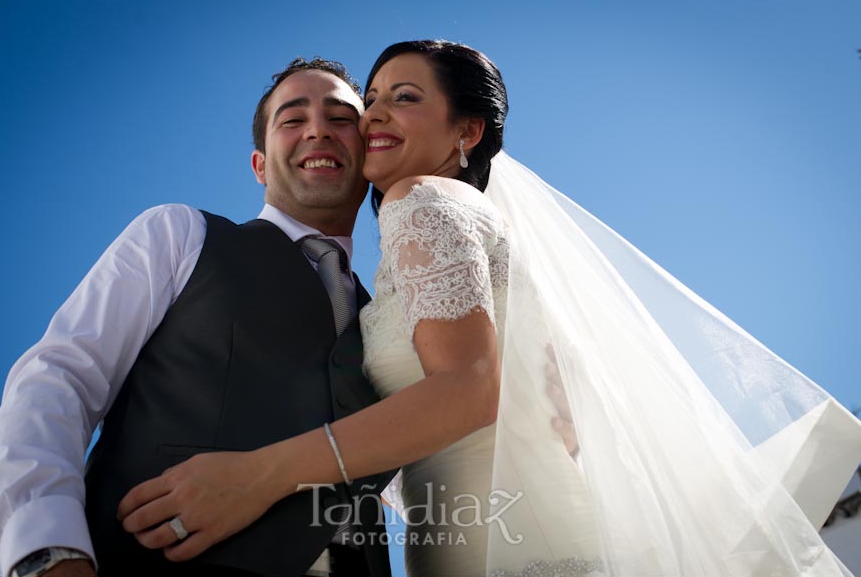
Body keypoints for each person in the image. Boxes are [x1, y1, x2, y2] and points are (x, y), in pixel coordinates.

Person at [118, 40, 861, 576]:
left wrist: (261, 474)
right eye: (371, 98)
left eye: (403, 98)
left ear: (466, 131)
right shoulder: (472, 235)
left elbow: (470, 388)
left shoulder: (420, 200)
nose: (373, 114)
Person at [0, 58, 396, 577]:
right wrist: (48, 551)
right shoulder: (180, 235)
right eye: (292, 119)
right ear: (260, 165)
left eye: (340, 119)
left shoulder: (392, 322)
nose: (317, 129)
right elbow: (60, 377)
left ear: (370, 151)